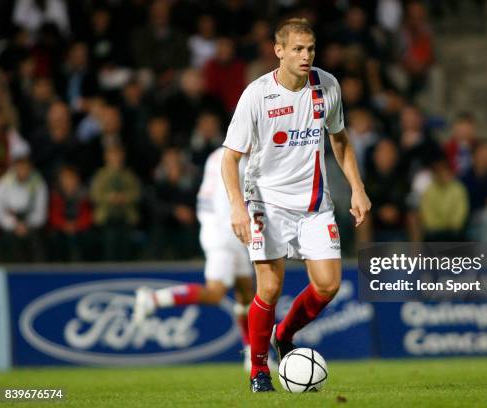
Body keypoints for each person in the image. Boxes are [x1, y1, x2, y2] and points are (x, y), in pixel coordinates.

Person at [221, 18, 371, 392]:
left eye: (311, 49)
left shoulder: (327, 85)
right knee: (269, 288)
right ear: (279, 51)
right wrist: (238, 207)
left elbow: (340, 141)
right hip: (265, 202)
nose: (306, 56)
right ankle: (259, 371)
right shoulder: (257, 95)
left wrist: (357, 188)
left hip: (314, 203)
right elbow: (230, 158)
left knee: (328, 285)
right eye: (298, 49)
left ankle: (283, 334)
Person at [133, 147, 271, 371]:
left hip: (223, 228)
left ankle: (251, 356)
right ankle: (153, 299)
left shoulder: (218, 154)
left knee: (246, 292)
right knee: (216, 292)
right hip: (224, 232)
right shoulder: (239, 161)